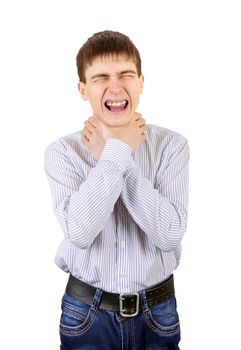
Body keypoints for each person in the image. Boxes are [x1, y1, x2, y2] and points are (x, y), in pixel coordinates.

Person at [44, 30, 189, 350]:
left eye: (125, 74)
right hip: (86, 315)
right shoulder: (63, 152)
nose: (115, 86)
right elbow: (79, 232)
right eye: (100, 77)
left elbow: (169, 234)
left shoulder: (171, 147)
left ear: (140, 81)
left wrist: (115, 155)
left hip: (158, 313)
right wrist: (119, 153)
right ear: (83, 89)